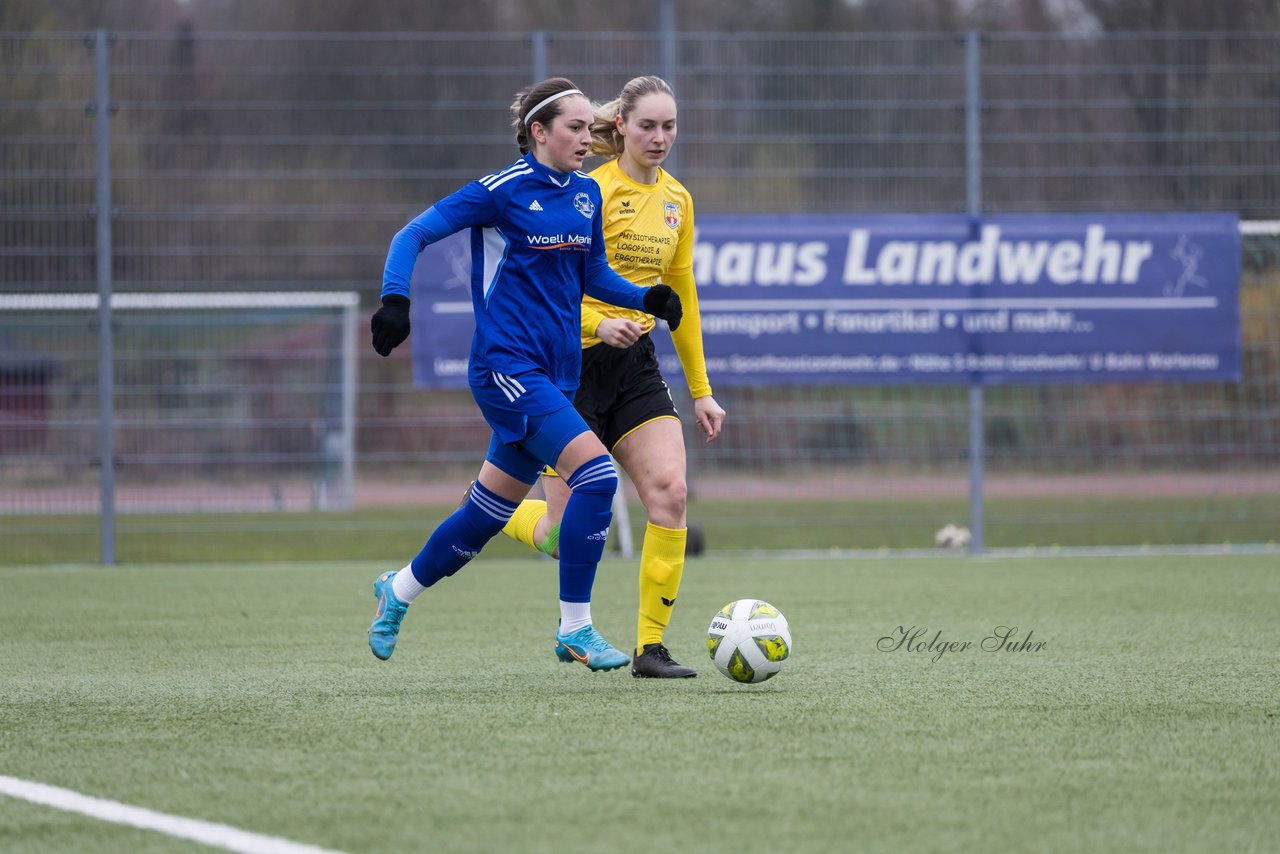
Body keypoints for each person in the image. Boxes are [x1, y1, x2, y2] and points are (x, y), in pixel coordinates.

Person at [366, 77, 684, 671]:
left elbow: (593, 276)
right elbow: (412, 233)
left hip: (557, 373)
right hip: (506, 371)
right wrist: (394, 299)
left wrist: (647, 298)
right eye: (575, 127)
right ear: (538, 132)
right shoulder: (502, 190)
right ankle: (576, 629)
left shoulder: (584, 197)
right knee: (596, 476)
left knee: (483, 517)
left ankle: (399, 588)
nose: (587, 138)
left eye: (591, 128)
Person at [501, 76, 725, 679]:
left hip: (635, 368)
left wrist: (701, 390)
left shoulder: (679, 199)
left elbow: (681, 298)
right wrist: (601, 324)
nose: (660, 137)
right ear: (620, 126)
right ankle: (502, 511)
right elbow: (549, 289)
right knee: (560, 532)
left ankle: (650, 650)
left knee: (670, 494)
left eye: (669, 126)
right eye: (648, 125)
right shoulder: (585, 192)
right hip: (567, 364)